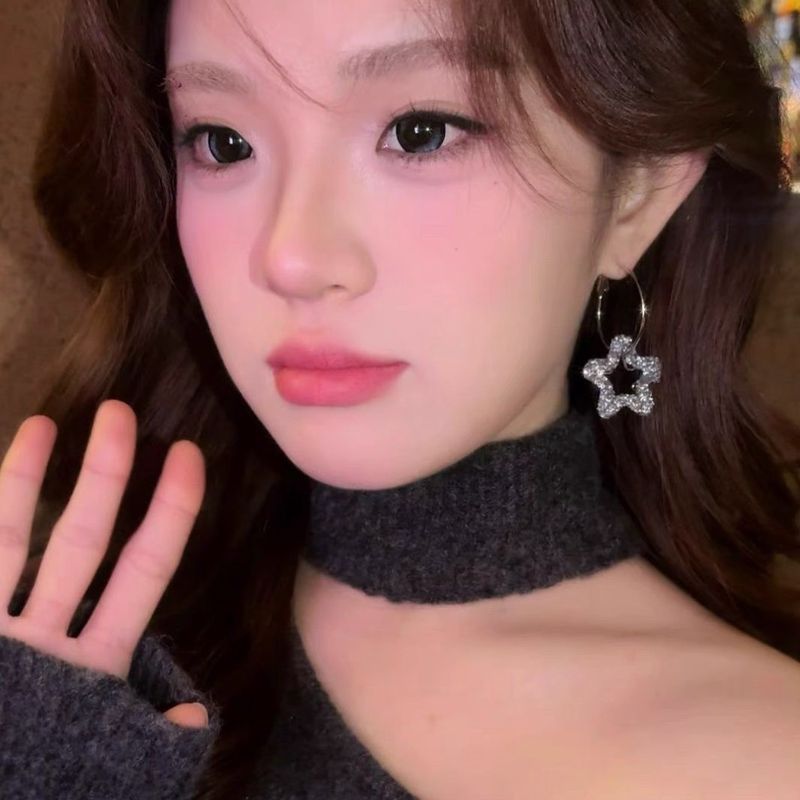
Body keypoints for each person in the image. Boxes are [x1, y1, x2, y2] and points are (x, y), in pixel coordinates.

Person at [1, 0, 800, 798]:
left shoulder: (765, 755)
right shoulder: (74, 660)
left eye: (421, 132)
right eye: (223, 142)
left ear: (637, 191)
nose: (292, 258)